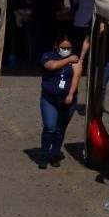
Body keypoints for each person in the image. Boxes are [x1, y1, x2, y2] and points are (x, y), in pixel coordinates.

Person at [37, 32, 81, 169]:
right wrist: (68, 60)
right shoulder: (48, 55)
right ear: (56, 46)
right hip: (49, 99)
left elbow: (77, 76)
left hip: (67, 101)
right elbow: (51, 66)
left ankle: (54, 154)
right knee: (50, 127)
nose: (66, 50)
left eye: (69, 48)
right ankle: (44, 154)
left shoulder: (76, 60)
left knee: (60, 129)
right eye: (63, 47)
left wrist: (70, 94)